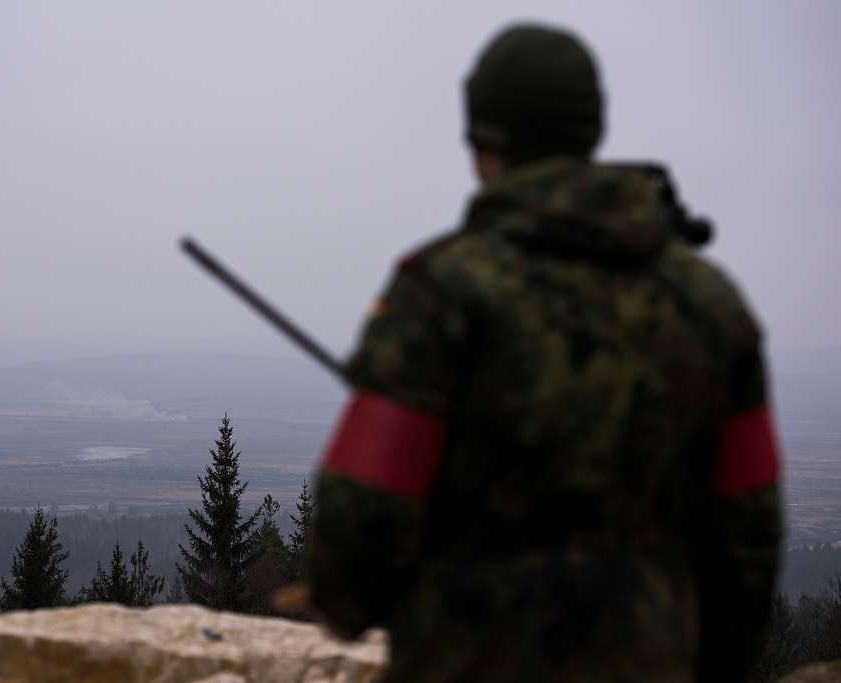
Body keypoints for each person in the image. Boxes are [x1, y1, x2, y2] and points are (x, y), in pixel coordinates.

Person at [305, 23, 781, 683]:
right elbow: (751, 528)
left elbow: (361, 517)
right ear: (588, 129)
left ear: (484, 139)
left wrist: (354, 607)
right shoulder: (709, 303)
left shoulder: (442, 291)